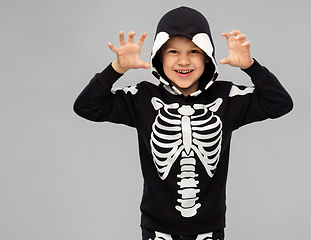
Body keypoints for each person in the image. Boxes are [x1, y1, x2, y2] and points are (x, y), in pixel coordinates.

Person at [74, 6, 293, 240]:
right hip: (156, 229)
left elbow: (280, 103)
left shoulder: (226, 97)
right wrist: (116, 69)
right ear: (158, 55)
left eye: (194, 52)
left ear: (207, 57)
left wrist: (251, 67)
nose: (184, 61)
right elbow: (87, 106)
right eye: (173, 52)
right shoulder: (142, 97)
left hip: (210, 229)